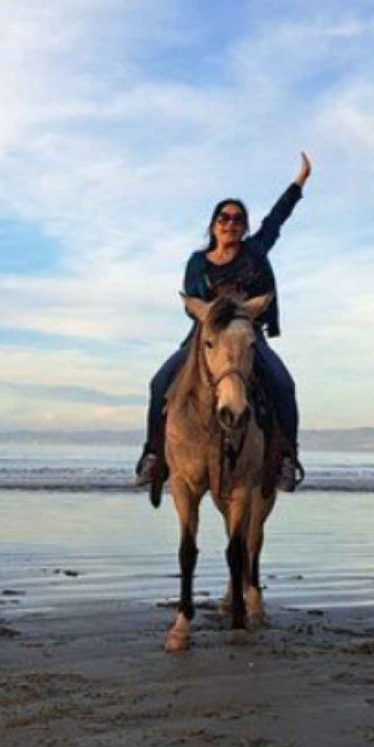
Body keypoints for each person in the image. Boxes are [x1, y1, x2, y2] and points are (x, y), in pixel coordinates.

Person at [135, 152, 314, 501]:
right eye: (223, 217)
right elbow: (192, 306)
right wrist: (212, 314)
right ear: (213, 224)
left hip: (248, 335)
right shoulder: (198, 263)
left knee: (282, 384)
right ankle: (153, 455)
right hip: (206, 337)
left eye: (237, 219)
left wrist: (300, 182)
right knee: (159, 384)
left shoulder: (255, 251)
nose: (230, 224)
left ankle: (287, 458)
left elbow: (278, 219)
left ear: (244, 226)